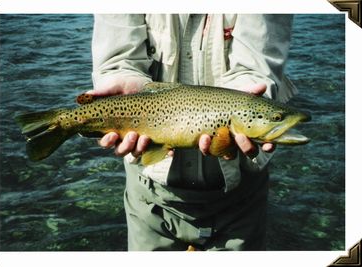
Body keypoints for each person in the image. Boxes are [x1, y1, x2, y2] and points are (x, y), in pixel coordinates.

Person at [88, 14, 297, 251]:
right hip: (148, 196)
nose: (282, 122)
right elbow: (118, 59)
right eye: (278, 119)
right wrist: (119, 79)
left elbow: (257, 67)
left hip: (240, 196)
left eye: (277, 119)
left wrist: (253, 90)